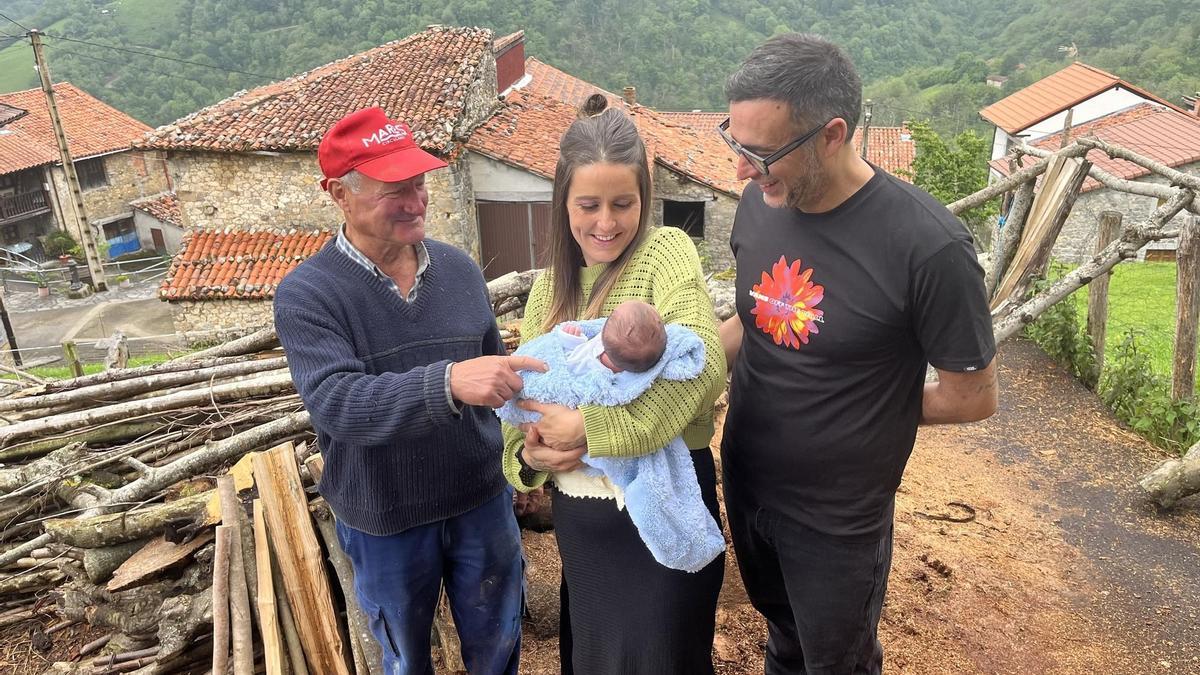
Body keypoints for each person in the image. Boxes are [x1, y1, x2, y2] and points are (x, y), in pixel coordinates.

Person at [716, 35, 999, 674]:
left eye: (759, 153)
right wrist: (685, 364)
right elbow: (752, 322)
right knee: (783, 639)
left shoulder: (928, 248)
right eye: (734, 143)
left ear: (832, 134)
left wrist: (867, 411)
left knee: (836, 662)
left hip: (837, 521)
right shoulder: (762, 206)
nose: (740, 170)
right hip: (749, 481)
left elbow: (973, 396)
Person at [273, 106, 545, 675]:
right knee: (405, 659)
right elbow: (337, 404)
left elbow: (497, 380)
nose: (416, 203)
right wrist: (447, 382)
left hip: (480, 500)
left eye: (419, 185)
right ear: (339, 195)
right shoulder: (309, 294)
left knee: (498, 645)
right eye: (393, 191)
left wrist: (519, 460)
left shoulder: (460, 270)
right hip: (385, 515)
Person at [501, 94, 727, 674]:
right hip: (584, 530)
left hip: (663, 519)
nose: (606, 223)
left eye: (623, 204)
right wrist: (526, 455)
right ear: (563, 203)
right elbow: (520, 402)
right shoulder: (551, 289)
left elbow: (701, 365)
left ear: (644, 199)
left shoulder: (665, 254)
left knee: (660, 659)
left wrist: (592, 429)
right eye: (589, 205)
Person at [559, 299, 667, 375]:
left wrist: (572, 340)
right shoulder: (629, 372)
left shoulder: (588, 360)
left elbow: (567, 364)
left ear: (602, 337)